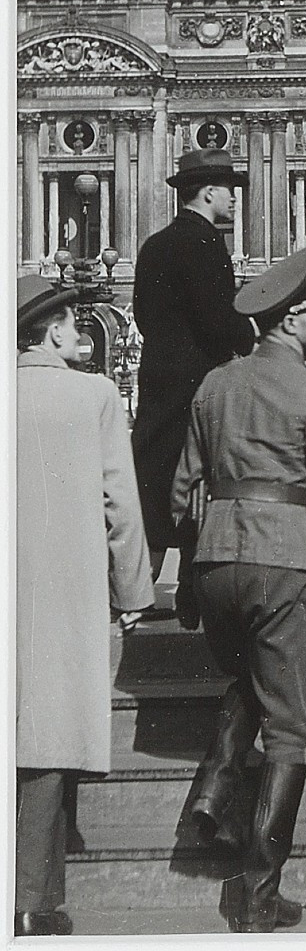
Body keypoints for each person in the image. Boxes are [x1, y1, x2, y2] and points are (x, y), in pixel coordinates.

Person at [170, 249, 306, 933]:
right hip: (282, 555)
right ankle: (259, 896)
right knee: (292, 715)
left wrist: (190, 577)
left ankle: (213, 794)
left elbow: (183, 488)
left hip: (217, 555)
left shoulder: (214, 385)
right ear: (291, 323)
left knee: (253, 676)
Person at [16, 277, 154, 936]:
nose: (84, 333)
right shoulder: (95, 396)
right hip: (68, 590)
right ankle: (33, 896)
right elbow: (121, 507)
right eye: (74, 324)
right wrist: (134, 592)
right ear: (49, 332)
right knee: (48, 736)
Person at [131, 145, 255, 626]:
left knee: (154, 479)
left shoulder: (154, 244)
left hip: (158, 374)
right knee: (197, 483)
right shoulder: (204, 244)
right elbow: (219, 320)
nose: (233, 199)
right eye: (228, 191)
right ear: (207, 193)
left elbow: (143, 315)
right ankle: (190, 593)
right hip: (198, 380)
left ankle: (137, 590)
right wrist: (249, 336)